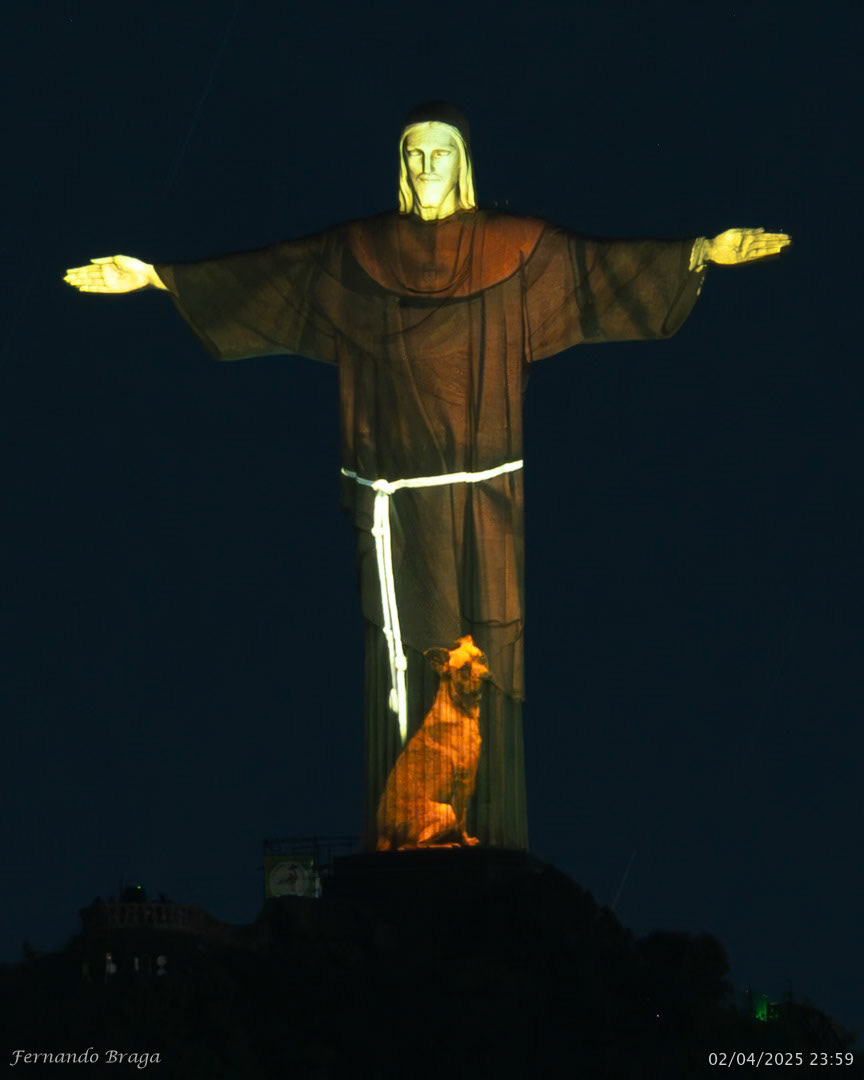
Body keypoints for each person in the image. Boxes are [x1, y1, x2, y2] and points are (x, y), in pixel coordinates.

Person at [64, 102, 791, 851]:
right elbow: (274, 275)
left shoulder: (514, 246)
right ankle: (407, 833)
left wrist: (699, 253)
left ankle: (485, 831)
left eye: (440, 152)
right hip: (396, 497)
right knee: (407, 649)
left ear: (463, 162)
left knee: (490, 646)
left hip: (487, 493)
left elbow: (592, 270)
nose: (425, 166)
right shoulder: (358, 251)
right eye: (414, 153)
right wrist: (156, 279)